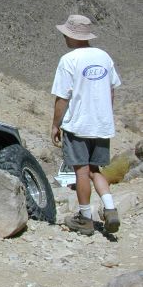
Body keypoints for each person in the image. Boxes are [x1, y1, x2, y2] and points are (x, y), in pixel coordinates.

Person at [51, 14, 121, 236]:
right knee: (95, 170)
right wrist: (105, 114)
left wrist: (55, 125)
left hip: (78, 125)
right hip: (101, 124)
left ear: (73, 36)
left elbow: (62, 98)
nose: (64, 37)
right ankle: (110, 209)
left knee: (81, 171)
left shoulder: (68, 60)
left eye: (66, 34)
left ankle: (85, 218)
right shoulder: (104, 57)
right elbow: (111, 90)